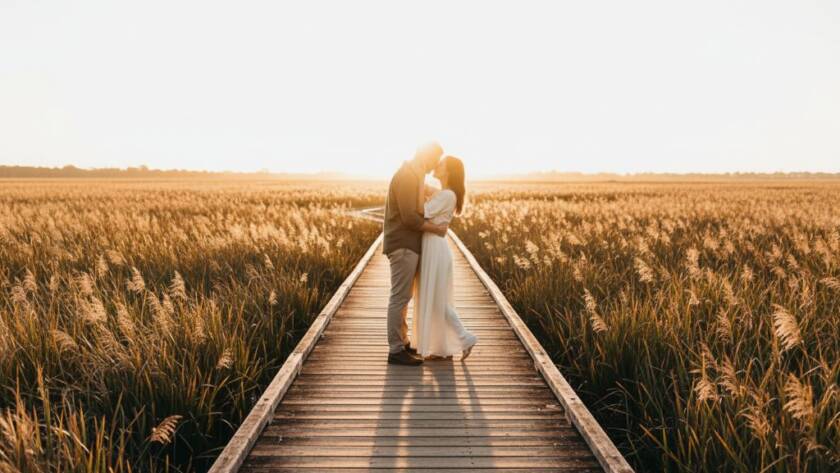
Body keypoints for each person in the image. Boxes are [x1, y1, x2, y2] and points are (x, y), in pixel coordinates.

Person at [383, 142, 449, 366]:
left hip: (407, 244)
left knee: (404, 297)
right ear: (425, 156)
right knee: (400, 297)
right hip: (402, 244)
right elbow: (410, 217)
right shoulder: (409, 177)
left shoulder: (415, 175)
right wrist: (436, 229)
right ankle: (395, 350)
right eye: (434, 160)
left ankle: (402, 342)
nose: (434, 167)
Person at [411, 155, 477, 360]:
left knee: (437, 300)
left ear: (448, 171)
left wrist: (420, 183)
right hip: (433, 246)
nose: (436, 165)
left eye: (441, 164)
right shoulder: (445, 194)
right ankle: (443, 348)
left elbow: (422, 211)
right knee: (434, 299)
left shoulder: (447, 195)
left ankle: (465, 338)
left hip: (435, 249)